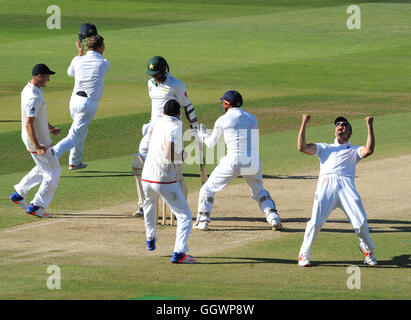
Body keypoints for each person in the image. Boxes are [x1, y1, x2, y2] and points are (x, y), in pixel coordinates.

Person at [194, 90, 283, 231]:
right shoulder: (253, 118)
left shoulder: (223, 120)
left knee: (208, 188)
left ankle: (203, 220)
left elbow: (211, 143)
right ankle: (273, 217)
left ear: (227, 104)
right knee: (259, 191)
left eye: (223, 102)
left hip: (233, 160)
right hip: (253, 160)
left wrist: (202, 135)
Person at [297, 114, 377, 267]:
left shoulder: (354, 150)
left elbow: (369, 149)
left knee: (360, 223)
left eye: (344, 125)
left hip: (347, 187)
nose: (340, 126)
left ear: (349, 132)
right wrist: (304, 123)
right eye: (338, 125)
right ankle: (303, 255)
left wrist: (369, 125)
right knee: (315, 222)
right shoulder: (324, 148)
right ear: (335, 130)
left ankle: (367, 250)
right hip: (326, 187)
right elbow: (302, 147)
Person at [132, 56, 199, 216]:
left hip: (171, 128)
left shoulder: (176, 85)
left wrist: (195, 129)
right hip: (153, 129)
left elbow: (187, 107)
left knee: (176, 169)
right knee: (139, 162)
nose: (155, 77)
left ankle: (180, 208)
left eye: (157, 74)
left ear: (165, 70)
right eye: (152, 74)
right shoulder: (150, 84)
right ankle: (145, 205)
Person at [141, 99, 196, 264]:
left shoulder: (157, 122)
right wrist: (183, 156)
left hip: (146, 176)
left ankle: (150, 238)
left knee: (149, 205)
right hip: (163, 178)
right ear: (179, 114)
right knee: (185, 216)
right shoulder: (176, 126)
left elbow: (147, 133)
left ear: (164, 112)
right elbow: (168, 153)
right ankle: (179, 253)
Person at [9, 64, 61, 218]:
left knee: (42, 168)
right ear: (39, 76)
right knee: (53, 172)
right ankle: (37, 205)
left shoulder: (29, 89)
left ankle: (19, 193)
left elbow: (35, 117)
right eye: (47, 76)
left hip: (38, 137)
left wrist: (50, 127)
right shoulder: (33, 97)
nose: (48, 79)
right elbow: (29, 123)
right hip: (37, 140)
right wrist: (38, 146)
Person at [53, 34, 110, 170]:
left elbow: (70, 73)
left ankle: (75, 161)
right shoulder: (104, 63)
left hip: (74, 101)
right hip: (88, 104)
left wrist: (79, 54)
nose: (105, 47)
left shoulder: (78, 60)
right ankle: (49, 157)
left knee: (80, 132)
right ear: (100, 47)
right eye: (104, 45)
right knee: (74, 136)